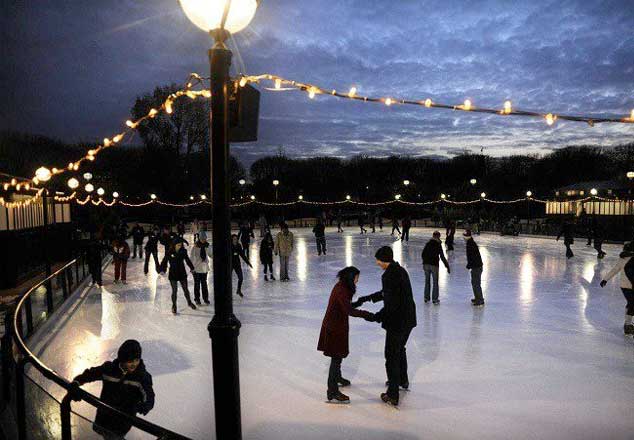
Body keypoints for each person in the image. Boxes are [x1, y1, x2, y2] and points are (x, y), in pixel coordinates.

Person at [354, 246, 416, 406]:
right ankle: (403, 380)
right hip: (408, 319)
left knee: (391, 356)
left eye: (378, 260)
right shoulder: (400, 271)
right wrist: (368, 298)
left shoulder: (388, 275)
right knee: (400, 349)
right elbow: (387, 293)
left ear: (384, 259)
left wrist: (376, 317)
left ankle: (392, 394)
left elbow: (391, 303)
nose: (377, 263)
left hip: (397, 321)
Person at [71, 340, 154, 440]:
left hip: (123, 420)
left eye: (136, 360)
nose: (134, 364)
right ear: (122, 359)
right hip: (104, 415)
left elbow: (149, 396)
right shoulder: (109, 369)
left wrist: (143, 406)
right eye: (130, 361)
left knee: (114, 437)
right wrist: (77, 382)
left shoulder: (142, 377)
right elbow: (91, 374)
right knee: (104, 434)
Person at [317, 267, 376, 403]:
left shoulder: (343, 287)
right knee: (336, 358)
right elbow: (348, 310)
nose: (357, 280)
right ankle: (332, 391)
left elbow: (345, 306)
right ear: (351, 277)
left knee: (338, 355)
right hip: (334, 327)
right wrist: (368, 315)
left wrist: (357, 303)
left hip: (338, 325)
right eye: (356, 277)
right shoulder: (342, 290)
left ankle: (337, 378)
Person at [601, 242, 634, 335]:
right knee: (632, 303)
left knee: (631, 303)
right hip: (626, 286)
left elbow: (614, 270)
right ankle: (628, 324)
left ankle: (628, 323)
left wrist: (605, 280)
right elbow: (615, 269)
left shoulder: (623, 258)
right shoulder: (623, 259)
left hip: (626, 286)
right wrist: (605, 279)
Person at [159, 237, 196, 314]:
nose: (180, 246)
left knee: (186, 290)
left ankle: (189, 302)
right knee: (174, 291)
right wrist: (162, 269)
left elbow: (187, 260)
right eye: (178, 245)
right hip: (173, 274)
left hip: (182, 273)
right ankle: (174, 306)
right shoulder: (169, 252)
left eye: (181, 245)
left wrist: (192, 268)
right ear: (174, 245)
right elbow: (164, 261)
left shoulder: (183, 251)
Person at [422, 231, 450, 304]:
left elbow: (423, 254)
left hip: (426, 265)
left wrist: (425, 261)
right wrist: (447, 266)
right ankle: (435, 299)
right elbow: (442, 257)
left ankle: (426, 298)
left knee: (427, 281)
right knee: (435, 282)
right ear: (438, 236)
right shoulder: (438, 245)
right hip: (434, 265)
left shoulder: (428, 243)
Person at [190, 231, 211, 305]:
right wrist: (191, 268)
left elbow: (211, 254)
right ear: (199, 238)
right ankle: (197, 299)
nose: (203, 240)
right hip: (196, 268)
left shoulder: (207, 246)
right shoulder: (195, 247)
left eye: (204, 238)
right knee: (197, 284)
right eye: (202, 238)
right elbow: (191, 257)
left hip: (204, 268)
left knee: (204, 284)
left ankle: (205, 299)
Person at [464, 230, 484, 306]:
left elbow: (472, 257)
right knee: (475, 283)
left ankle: (480, 300)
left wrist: (469, 265)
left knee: (476, 283)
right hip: (476, 266)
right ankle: (477, 297)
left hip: (476, 267)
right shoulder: (471, 243)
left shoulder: (470, 244)